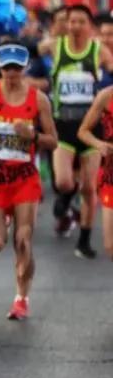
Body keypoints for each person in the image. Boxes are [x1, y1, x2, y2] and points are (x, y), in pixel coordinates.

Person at [0, 44, 57, 320]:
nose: (11, 73)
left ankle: (21, 298)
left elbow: (53, 141)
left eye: (16, 68)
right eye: (7, 67)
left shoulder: (38, 99)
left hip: (23, 178)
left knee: (23, 240)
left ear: (25, 68)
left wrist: (32, 135)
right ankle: (2, 222)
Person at [40, 4, 113, 256]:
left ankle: (84, 239)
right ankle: (66, 197)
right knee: (62, 180)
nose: (76, 26)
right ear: (66, 23)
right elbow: (31, 50)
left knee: (90, 187)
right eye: (72, 21)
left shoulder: (99, 51)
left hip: (92, 128)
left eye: (82, 22)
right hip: (64, 126)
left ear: (89, 25)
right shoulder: (55, 47)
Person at [79, 81, 113, 259]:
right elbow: (83, 131)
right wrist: (100, 144)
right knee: (110, 246)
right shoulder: (106, 96)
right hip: (111, 176)